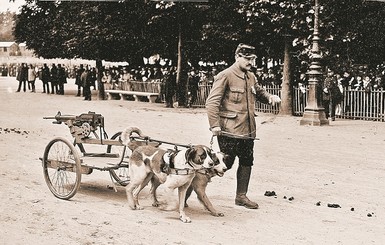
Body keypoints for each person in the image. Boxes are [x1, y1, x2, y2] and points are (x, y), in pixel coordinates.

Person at [206, 43, 281, 209]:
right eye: (247, 59)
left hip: (248, 129)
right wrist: (214, 125)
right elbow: (211, 103)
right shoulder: (225, 75)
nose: (251, 62)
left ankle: (241, 196)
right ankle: (193, 185)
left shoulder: (250, 76)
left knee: (247, 161)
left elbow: (259, 92)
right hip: (229, 129)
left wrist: (270, 97)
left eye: (253, 59)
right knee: (226, 163)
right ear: (237, 57)